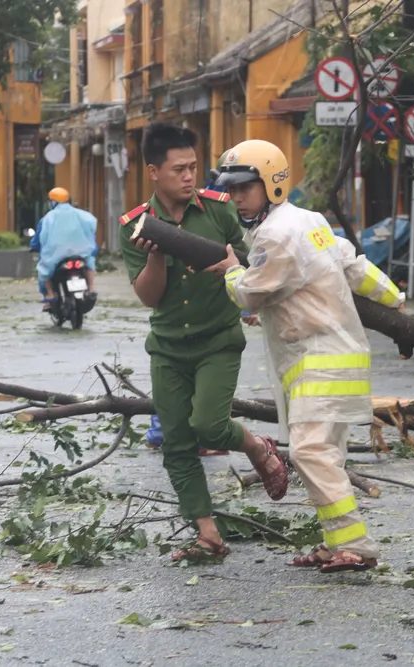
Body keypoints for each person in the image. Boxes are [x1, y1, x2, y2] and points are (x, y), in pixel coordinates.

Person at [205, 139, 406, 573]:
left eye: (245, 187)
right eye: (231, 188)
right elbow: (350, 263)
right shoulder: (308, 220)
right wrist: (395, 297)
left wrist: (231, 272)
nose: (237, 196)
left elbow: (253, 292)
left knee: (311, 452)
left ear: (272, 186)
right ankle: (336, 544)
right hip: (337, 355)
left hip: (320, 359)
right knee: (324, 456)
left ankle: (357, 547)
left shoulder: (275, 235)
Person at [119, 123, 288, 563]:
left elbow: (254, 263)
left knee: (209, 427)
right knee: (176, 442)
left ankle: (255, 446)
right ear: (154, 172)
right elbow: (147, 297)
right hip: (169, 348)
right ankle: (208, 533)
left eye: (194, 167)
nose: (190, 176)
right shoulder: (135, 226)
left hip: (218, 341)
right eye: (179, 169)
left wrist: (244, 280)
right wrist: (157, 252)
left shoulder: (218, 210)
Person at [35, 187, 98, 310]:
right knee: (90, 264)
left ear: (53, 202)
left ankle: (51, 295)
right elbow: (92, 227)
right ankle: (91, 288)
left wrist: (37, 247)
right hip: (81, 254)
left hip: (56, 256)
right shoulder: (82, 214)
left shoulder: (48, 218)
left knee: (43, 269)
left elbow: (42, 238)